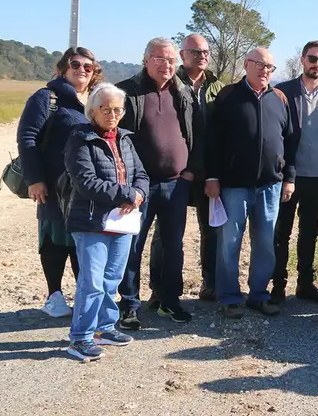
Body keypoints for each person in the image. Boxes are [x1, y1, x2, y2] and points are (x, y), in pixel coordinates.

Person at [116, 37, 201, 329]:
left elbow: (196, 134)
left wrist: (190, 172)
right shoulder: (128, 92)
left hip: (177, 184)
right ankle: (128, 305)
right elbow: (118, 142)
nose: (167, 65)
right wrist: (129, 183)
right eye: (160, 59)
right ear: (146, 60)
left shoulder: (183, 91)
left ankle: (169, 301)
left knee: (173, 246)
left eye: (172, 60)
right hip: (140, 186)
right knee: (132, 245)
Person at [205, 48, 296, 319]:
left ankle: (259, 295)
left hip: (270, 185)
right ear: (246, 65)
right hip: (234, 185)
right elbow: (212, 141)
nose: (265, 70)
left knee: (265, 243)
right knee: (229, 243)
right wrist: (212, 177)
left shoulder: (279, 98)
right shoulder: (228, 96)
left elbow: (290, 141)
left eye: (270, 66)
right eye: (260, 65)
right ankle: (230, 298)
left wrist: (288, 177)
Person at [63, 83, 149, 361]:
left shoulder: (125, 139)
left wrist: (139, 194)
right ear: (93, 111)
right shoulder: (79, 139)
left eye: (117, 109)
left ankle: (104, 327)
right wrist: (126, 194)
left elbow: (142, 175)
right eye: (106, 109)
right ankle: (80, 338)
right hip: (91, 222)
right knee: (92, 282)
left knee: (112, 280)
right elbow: (86, 182)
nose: (113, 114)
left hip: (122, 222)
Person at [17, 47, 103, 317]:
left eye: (87, 67)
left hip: (87, 187)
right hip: (54, 186)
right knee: (55, 240)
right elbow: (27, 138)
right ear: (63, 68)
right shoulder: (47, 97)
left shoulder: (96, 99)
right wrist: (35, 179)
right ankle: (54, 295)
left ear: (94, 73)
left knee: (83, 242)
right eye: (75, 64)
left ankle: (84, 296)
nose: (81, 70)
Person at [149, 33, 223, 302]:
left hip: (208, 171)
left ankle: (210, 283)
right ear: (182, 55)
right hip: (176, 170)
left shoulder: (218, 87)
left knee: (211, 229)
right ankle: (160, 289)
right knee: (166, 233)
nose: (202, 56)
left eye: (205, 52)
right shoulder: (170, 83)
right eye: (195, 52)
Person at [273, 41, 318, 305]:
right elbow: (277, 136)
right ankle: (278, 286)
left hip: (317, 175)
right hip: (288, 176)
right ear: (302, 59)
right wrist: (286, 174)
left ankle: (305, 284)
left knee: (310, 232)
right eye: (313, 58)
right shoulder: (282, 91)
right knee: (281, 233)